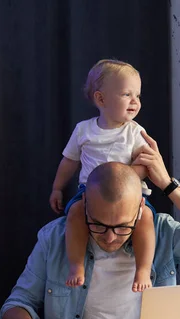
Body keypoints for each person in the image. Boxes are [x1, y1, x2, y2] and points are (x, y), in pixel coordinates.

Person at [0, 132, 180, 319]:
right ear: (83, 203)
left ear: (140, 210)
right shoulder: (54, 238)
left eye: (123, 227)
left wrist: (169, 186)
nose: (110, 237)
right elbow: (14, 307)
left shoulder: (161, 232)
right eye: (98, 224)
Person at [50, 59, 155, 292]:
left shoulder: (135, 132)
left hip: (128, 197)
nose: (135, 101)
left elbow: (146, 165)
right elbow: (69, 162)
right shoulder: (84, 130)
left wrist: (124, 178)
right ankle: (76, 265)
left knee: (145, 217)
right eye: (127, 94)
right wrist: (57, 187)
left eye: (137, 95)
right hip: (89, 193)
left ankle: (143, 269)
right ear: (101, 99)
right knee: (76, 213)